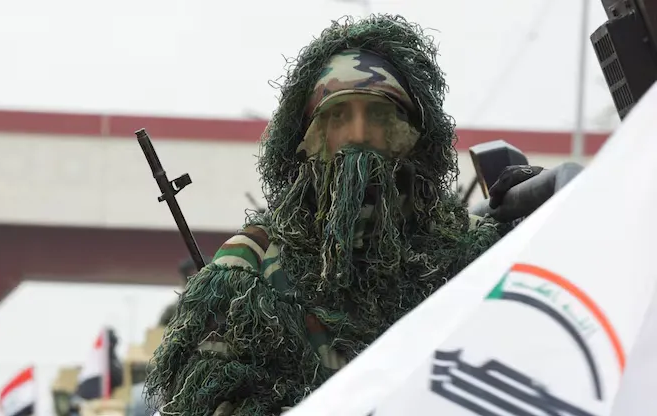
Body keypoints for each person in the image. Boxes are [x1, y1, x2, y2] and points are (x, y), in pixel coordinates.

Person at [145, 15, 581, 416]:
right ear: (308, 138)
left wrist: (535, 231)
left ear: (411, 134)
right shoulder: (253, 264)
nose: (358, 135)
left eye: (378, 114)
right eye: (338, 115)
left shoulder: (472, 253)